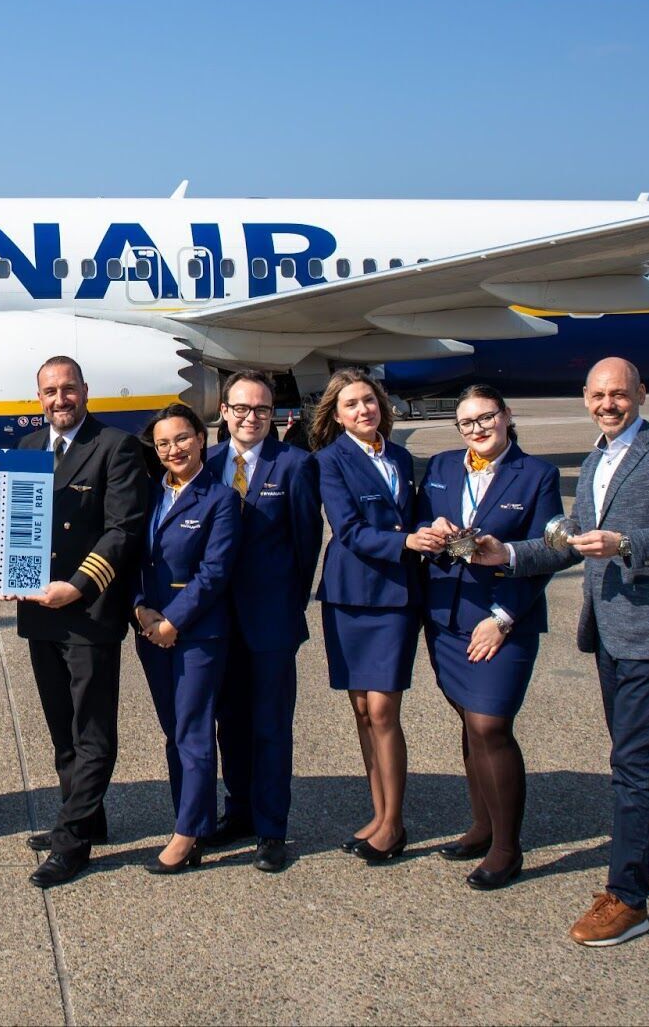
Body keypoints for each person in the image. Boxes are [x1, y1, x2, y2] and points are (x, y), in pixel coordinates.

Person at [472, 357, 649, 946]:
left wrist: (629, 543)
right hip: (609, 630)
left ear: (641, 393)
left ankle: (627, 896)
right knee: (641, 751)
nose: (608, 404)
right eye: (598, 395)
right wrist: (505, 556)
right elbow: (572, 540)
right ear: (585, 398)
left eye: (619, 394)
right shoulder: (596, 458)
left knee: (631, 761)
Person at [415, 385, 562, 891]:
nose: (477, 429)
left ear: (507, 415)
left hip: (501, 619)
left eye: (486, 418)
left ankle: (506, 848)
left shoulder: (538, 475)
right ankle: (481, 825)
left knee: (490, 723)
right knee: (468, 720)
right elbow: (418, 523)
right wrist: (431, 529)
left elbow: (548, 553)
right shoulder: (440, 467)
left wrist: (502, 617)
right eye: (467, 422)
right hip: (448, 617)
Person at [14, 356, 148, 888]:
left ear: (85, 391)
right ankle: (86, 818)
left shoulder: (114, 447)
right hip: (38, 609)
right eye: (49, 392)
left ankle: (71, 844)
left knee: (92, 731)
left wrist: (80, 584)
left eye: (68, 389)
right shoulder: (27, 451)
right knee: (61, 730)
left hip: (87, 608)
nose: (59, 400)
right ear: (38, 397)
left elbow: (123, 529)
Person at [310, 368, 439, 864]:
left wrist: (429, 528)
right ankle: (379, 812)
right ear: (337, 417)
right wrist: (405, 540)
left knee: (384, 711)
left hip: (395, 595)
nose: (363, 410)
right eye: (351, 405)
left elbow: (413, 514)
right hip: (350, 595)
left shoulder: (401, 457)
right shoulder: (330, 460)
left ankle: (395, 822)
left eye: (368, 401)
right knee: (361, 711)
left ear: (381, 404)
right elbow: (347, 528)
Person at [202, 371, 322, 873]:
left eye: (262, 410)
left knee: (271, 726)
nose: (251, 418)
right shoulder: (206, 462)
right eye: (242, 409)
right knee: (228, 722)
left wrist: (287, 607)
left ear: (274, 416)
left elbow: (306, 544)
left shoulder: (293, 465)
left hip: (270, 620)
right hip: (215, 621)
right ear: (224, 412)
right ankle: (240, 811)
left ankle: (272, 828)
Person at [132, 404, 239, 874]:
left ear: (200, 438)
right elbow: (134, 559)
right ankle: (188, 817)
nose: (173, 449)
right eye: (163, 443)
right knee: (173, 731)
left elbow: (214, 573)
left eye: (181, 438)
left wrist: (172, 621)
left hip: (195, 634)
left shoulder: (220, 499)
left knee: (194, 732)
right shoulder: (151, 495)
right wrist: (139, 607)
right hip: (150, 628)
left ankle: (189, 833)